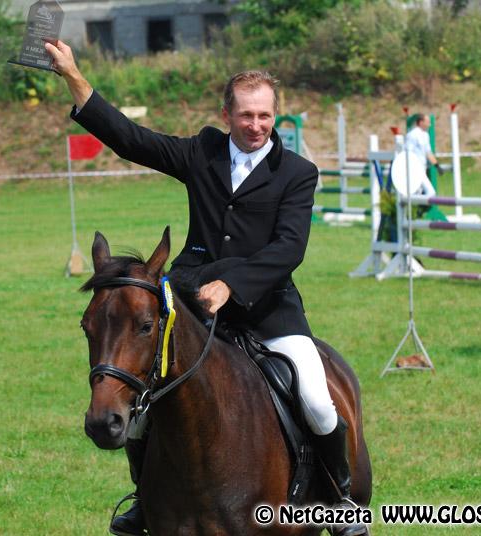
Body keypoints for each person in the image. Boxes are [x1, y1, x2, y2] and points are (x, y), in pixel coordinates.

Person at [45, 41, 365, 536]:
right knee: (143, 404)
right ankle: (144, 499)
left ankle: (339, 497)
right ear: (226, 114)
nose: (255, 125)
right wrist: (72, 75)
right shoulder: (202, 153)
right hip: (192, 305)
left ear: (275, 116)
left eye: (264, 116)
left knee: (318, 399)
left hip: (269, 309)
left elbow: (288, 248)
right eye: (246, 115)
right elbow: (131, 139)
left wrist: (232, 284)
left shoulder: (297, 173)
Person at [404, 113, 441, 196]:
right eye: (427, 122)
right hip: (415, 168)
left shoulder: (425, 135)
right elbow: (407, 152)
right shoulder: (412, 135)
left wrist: (437, 166)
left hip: (422, 168)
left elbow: (428, 152)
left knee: (416, 193)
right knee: (430, 192)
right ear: (421, 122)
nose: (429, 125)